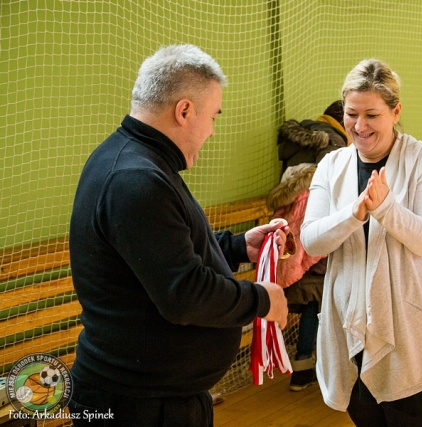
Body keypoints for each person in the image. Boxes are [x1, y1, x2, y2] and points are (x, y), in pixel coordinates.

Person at [67, 44, 289, 426]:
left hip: (152, 398)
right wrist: (261, 299)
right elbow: (183, 293)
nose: (212, 131)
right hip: (138, 407)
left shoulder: (134, 160)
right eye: (213, 117)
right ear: (184, 111)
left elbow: (164, 257)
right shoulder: (136, 179)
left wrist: (238, 247)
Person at [300, 59, 422, 427]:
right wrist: (353, 214)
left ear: (396, 111)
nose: (360, 126)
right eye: (351, 114)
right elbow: (311, 241)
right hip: (351, 326)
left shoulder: (420, 159)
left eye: (372, 115)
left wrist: (386, 208)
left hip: (410, 330)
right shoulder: (331, 165)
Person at [267, 101, 348, 391]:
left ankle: (303, 365)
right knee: (322, 299)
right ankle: (328, 366)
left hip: (293, 233)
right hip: (318, 235)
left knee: (313, 298)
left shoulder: (299, 142)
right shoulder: (335, 144)